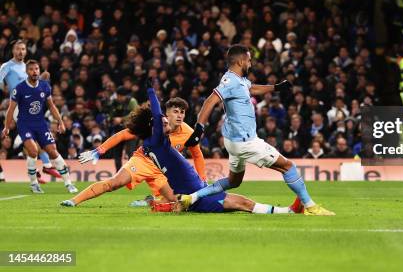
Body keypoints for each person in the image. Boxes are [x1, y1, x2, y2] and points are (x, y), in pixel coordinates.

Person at [62, 81, 299, 215]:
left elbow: (196, 153)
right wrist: (151, 91)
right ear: (160, 119)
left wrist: (203, 178)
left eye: (181, 112)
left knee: (180, 204)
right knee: (241, 203)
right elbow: (128, 131)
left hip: (180, 180)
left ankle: (160, 204)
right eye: (169, 115)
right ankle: (288, 212)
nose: (174, 118)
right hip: (151, 164)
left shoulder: (183, 132)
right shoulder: (157, 137)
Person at [178, 44, 334, 215]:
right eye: (249, 61)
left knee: (233, 181)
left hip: (233, 142)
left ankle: (191, 197)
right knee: (288, 166)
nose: (250, 64)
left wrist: (276, 87)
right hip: (245, 142)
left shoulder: (240, 81)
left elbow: (252, 88)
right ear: (240, 61)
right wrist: (199, 129)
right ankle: (310, 206)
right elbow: (210, 101)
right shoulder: (229, 81)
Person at [77, 97, 206, 207]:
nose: (179, 115)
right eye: (176, 112)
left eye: (182, 112)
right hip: (142, 160)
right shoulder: (155, 125)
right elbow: (123, 135)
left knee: (175, 200)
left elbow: (197, 156)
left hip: (162, 170)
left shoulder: (188, 133)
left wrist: (203, 181)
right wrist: (100, 150)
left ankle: (150, 201)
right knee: (115, 183)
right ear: (167, 114)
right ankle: (74, 201)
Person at [2, 60, 78, 194]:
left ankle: (69, 183)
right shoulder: (19, 89)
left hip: (41, 124)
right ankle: (34, 184)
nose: (35, 71)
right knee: (33, 151)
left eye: (36, 69)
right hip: (24, 124)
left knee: (53, 151)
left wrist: (60, 121)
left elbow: (51, 106)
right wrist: (6, 127)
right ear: (26, 72)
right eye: (31, 69)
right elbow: (10, 109)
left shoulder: (45, 86)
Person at [0, 40, 60, 182]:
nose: (20, 51)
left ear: (26, 51)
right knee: (36, 137)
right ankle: (46, 164)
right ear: (13, 50)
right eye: (17, 49)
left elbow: (33, 84)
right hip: (18, 106)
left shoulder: (28, 67)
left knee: (30, 140)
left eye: (23, 49)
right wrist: (7, 93)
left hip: (33, 106)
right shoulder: (7, 66)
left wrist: (42, 79)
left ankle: (35, 171)